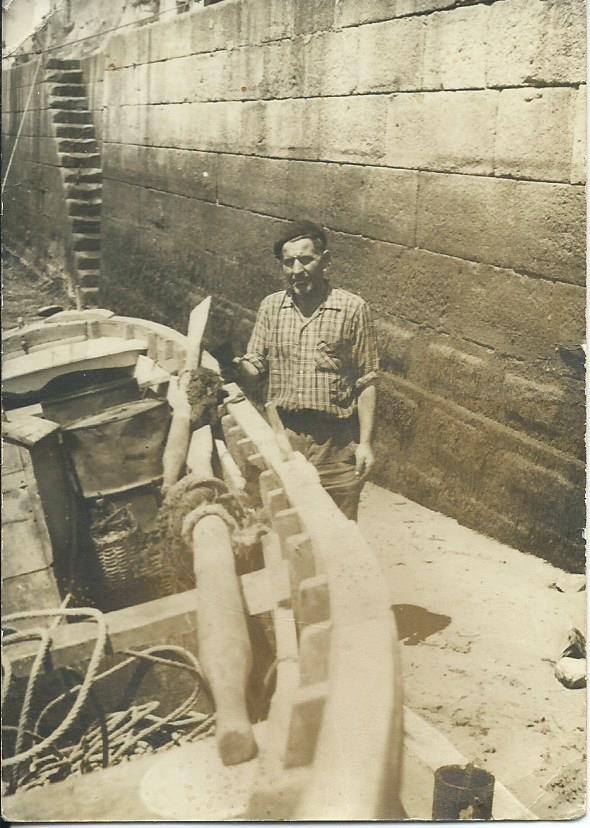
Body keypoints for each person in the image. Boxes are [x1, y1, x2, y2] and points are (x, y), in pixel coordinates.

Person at [236, 220, 378, 521]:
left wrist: (365, 444)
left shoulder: (353, 309)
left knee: (341, 530)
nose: (297, 271)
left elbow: (367, 381)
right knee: (290, 531)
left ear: (325, 260)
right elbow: (254, 365)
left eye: (305, 259)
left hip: (336, 446)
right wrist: (237, 369)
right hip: (283, 439)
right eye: (288, 263)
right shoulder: (271, 307)